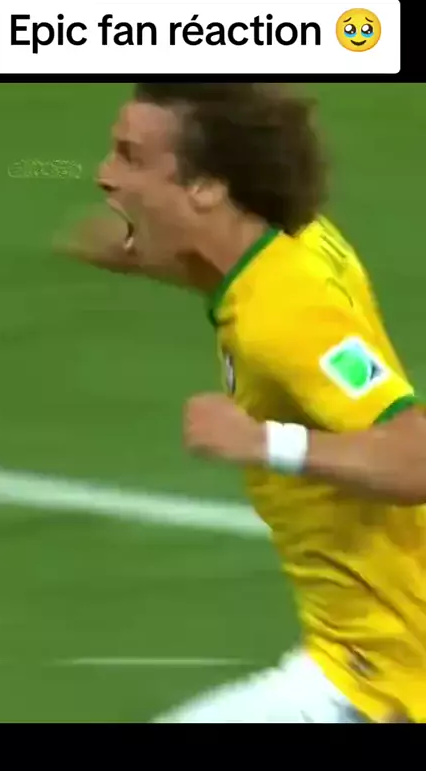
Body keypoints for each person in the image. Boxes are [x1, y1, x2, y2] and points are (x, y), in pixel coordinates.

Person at [58, 83, 426, 723]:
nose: (105, 175)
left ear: (206, 186)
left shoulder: (286, 314)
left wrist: (261, 441)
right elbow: (222, 267)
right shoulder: (291, 243)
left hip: (381, 681)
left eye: (131, 157)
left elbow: (416, 457)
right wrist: (137, 255)